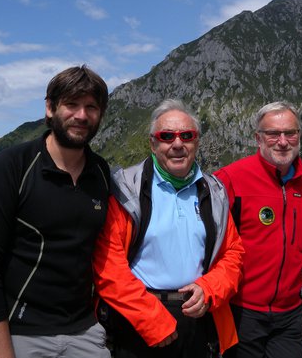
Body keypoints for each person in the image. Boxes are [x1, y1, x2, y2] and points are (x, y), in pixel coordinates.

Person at [0, 65, 111, 358]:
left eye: (91, 107)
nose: (81, 115)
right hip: (17, 333)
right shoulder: (11, 167)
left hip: (83, 332)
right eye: (71, 104)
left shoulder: (101, 173)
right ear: (50, 108)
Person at [92, 99, 245, 358]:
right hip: (138, 321)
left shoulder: (214, 192)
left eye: (187, 135)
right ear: (153, 143)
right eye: (167, 136)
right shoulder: (125, 189)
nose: (177, 144)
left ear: (196, 142)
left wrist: (210, 290)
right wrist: (151, 320)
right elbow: (108, 265)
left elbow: (233, 254)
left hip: (198, 319)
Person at [214, 101, 302, 358]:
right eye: (273, 134)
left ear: (299, 136)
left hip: (290, 314)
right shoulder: (230, 178)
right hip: (243, 312)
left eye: (290, 133)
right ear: (258, 139)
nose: (283, 141)